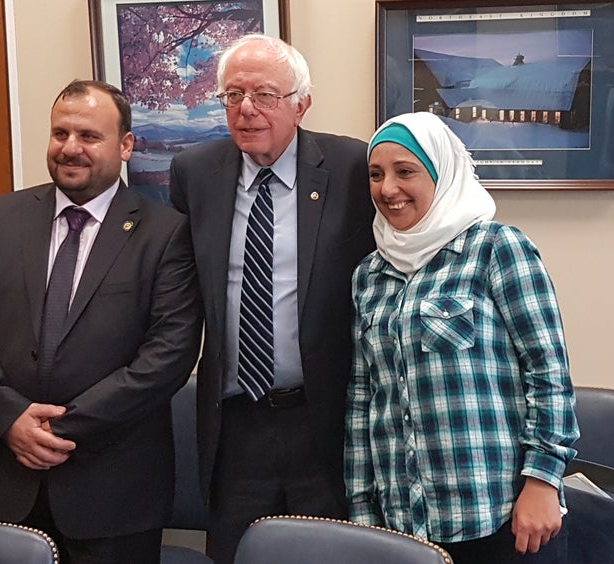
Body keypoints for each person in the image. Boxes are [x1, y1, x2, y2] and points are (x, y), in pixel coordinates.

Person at [0, 79, 202, 564]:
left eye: (89, 136)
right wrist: (9, 417)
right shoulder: (1, 216)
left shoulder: (165, 233)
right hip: (4, 482)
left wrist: (59, 429)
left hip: (114, 495)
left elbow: (168, 356)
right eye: (60, 134)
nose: (70, 149)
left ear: (125, 146)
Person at [169, 34, 375, 563]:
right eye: (233, 95)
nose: (246, 109)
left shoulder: (353, 167)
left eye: (264, 94)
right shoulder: (194, 172)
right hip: (235, 422)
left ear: (301, 103)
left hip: (323, 416)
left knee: (329, 554)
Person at [344, 111, 579, 564]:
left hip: (501, 517)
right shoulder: (369, 275)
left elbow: (548, 371)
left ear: (442, 173)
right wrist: (361, 505)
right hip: (401, 524)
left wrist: (543, 480)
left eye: (405, 171)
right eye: (376, 174)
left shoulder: (496, 248)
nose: (387, 188)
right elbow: (362, 398)